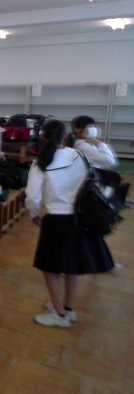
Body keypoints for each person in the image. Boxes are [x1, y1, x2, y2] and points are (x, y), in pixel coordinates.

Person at [25, 119, 115, 329]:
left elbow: (32, 197)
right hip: (79, 218)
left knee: (50, 268)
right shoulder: (79, 155)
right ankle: (67, 308)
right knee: (71, 266)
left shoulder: (40, 163)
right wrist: (96, 142)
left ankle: (59, 314)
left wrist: (34, 214)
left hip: (56, 219)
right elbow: (106, 163)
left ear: (43, 136)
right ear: (65, 136)